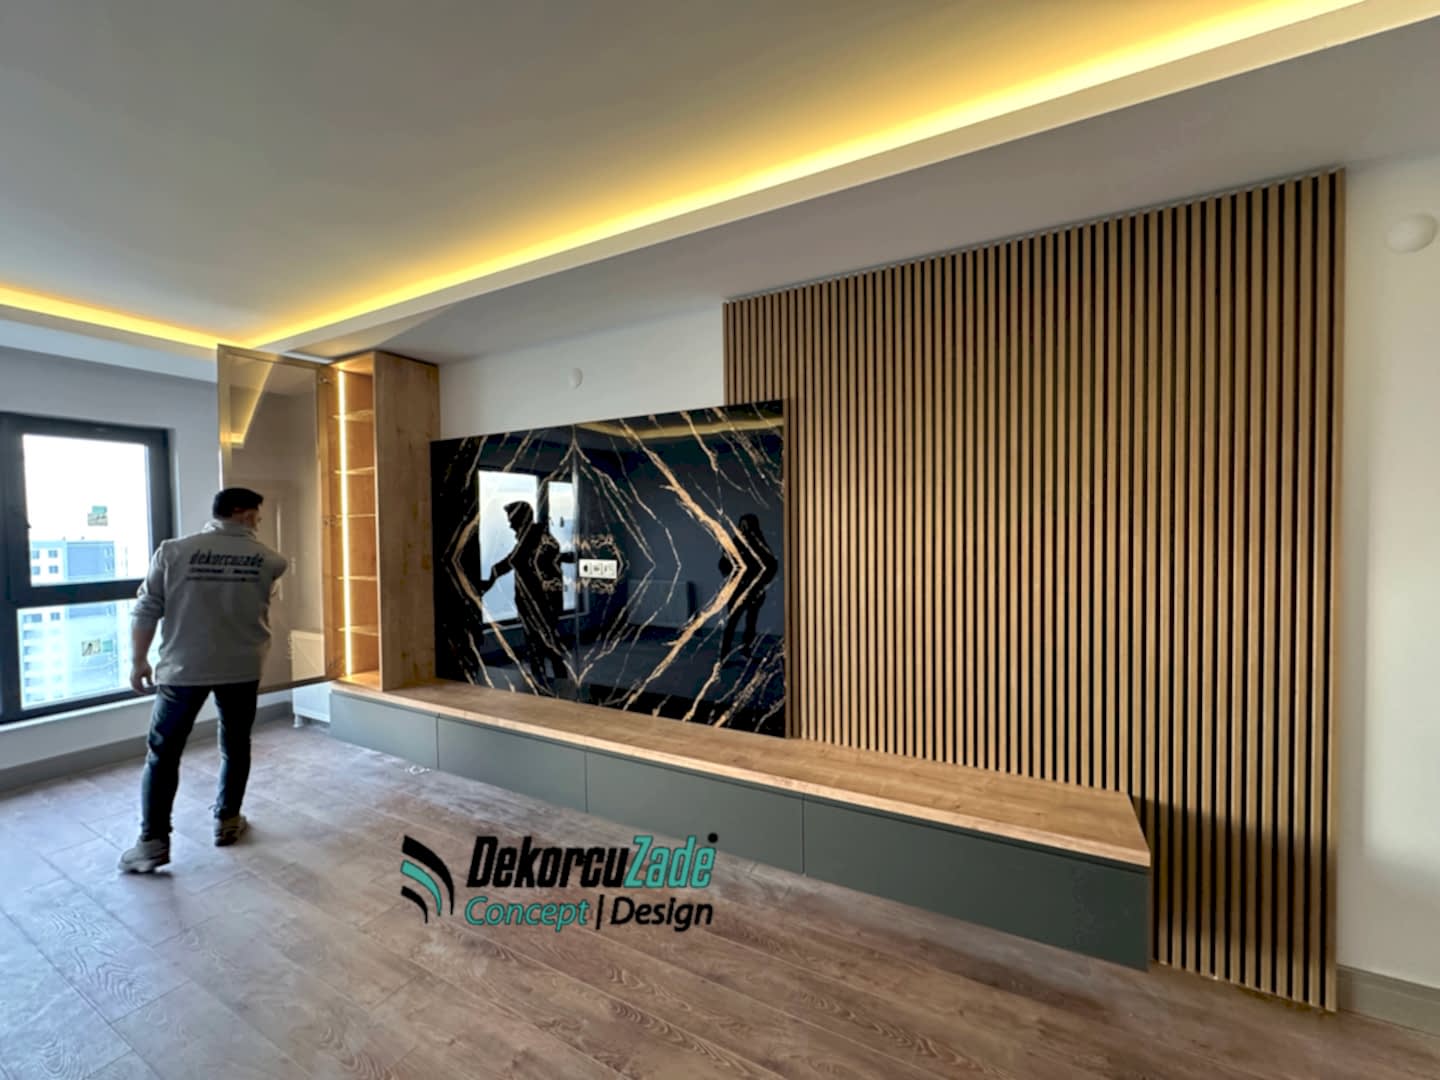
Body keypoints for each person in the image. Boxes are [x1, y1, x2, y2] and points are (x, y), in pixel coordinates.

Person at [118, 487, 288, 872]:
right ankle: (228, 820)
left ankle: (152, 843)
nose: (259, 523)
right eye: (258, 517)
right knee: (236, 745)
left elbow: (147, 608)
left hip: (183, 670)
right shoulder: (270, 560)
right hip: (242, 667)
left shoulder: (173, 552)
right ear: (244, 513)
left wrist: (138, 660)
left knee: (163, 753)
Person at [479, 500, 569, 689]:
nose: (510, 525)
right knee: (542, 645)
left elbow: (513, 561)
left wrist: (489, 581)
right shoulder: (534, 537)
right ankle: (551, 683)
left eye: (512, 520)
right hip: (536, 604)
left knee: (543, 646)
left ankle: (551, 684)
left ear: (522, 519)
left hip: (540, 604)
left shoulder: (534, 537)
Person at [718, 513, 778, 661]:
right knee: (732, 622)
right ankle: (723, 656)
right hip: (737, 590)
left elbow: (771, 566)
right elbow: (723, 564)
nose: (744, 529)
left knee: (751, 622)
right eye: (742, 525)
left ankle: (746, 651)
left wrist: (761, 583)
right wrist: (734, 578)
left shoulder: (760, 544)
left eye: (747, 525)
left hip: (754, 590)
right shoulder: (735, 543)